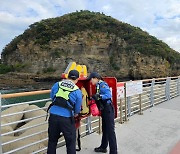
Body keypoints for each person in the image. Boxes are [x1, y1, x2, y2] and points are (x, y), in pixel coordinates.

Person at [47, 70, 82, 154]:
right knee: (70, 144)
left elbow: (52, 97)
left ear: (67, 76)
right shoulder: (77, 91)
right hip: (67, 119)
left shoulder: (57, 84)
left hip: (53, 116)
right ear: (77, 79)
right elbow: (77, 109)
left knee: (52, 142)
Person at [87, 72, 118, 154]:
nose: (91, 82)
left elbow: (108, 95)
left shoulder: (102, 84)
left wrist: (100, 96)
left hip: (108, 109)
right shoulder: (98, 85)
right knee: (105, 129)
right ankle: (103, 147)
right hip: (104, 109)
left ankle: (114, 151)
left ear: (95, 78)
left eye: (91, 80)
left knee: (110, 131)